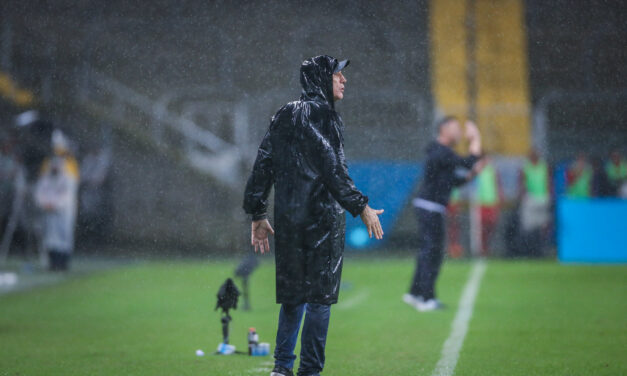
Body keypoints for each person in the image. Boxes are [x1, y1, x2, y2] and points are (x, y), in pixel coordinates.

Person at [243, 55, 384, 376]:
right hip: (321, 220)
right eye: (337, 75)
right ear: (322, 79)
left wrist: (257, 211)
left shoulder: (285, 113)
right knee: (319, 299)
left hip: (290, 221)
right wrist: (360, 205)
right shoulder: (326, 118)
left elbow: (263, 162)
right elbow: (332, 167)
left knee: (293, 297)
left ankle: (281, 368)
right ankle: (309, 371)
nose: (344, 80)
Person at [405, 116, 481, 312]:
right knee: (432, 253)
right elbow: (468, 162)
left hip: (430, 206)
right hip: (430, 207)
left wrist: (473, 174)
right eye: (456, 128)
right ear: (444, 130)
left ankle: (415, 293)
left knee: (427, 252)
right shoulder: (442, 152)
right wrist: (475, 139)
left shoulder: (440, 152)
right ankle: (426, 298)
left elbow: (453, 181)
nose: (459, 133)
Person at [34, 131, 79, 271]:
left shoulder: (70, 166)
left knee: (64, 236)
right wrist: (45, 204)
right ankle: (52, 263)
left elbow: (69, 192)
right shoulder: (47, 167)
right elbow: (41, 189)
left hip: (64, 210)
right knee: (50, 236)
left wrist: (56, 205)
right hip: (49, 210)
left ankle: (63, 263)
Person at [518, 148, 551, 256]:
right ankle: (528, 248)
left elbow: (548, 182)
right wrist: (523, 196)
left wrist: (549, 195)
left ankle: (542, 247)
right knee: (528, 226)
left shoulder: (543, 166)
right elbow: (522, 182)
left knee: (543, 225)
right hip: (531, 199)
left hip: (543, 198)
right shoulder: (526, 167)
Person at [474, 154, 503, 256]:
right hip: (481, 203)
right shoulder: (478, 170)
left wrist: (499, 198)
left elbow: (498, 184)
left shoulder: (492, 170)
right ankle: (482, 249)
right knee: (482, 227)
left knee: (491, 225)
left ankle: (487, 247)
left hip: (492, 202)